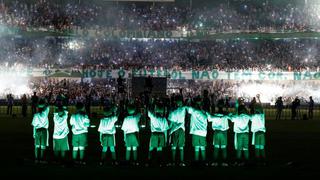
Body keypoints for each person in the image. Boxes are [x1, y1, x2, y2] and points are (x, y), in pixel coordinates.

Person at [147, 100, 169, 167]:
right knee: (159, 149)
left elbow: (148, 111)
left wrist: (152, 103)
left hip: (154, 134)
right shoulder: (164, 119)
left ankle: (149, 161)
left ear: (156, 110)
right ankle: (159, 162)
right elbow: (165, 130)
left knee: (151, 148)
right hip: (162, 134)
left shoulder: (153, 117)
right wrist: (166, 139)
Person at [187, 96, 208, 165]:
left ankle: (196, 162)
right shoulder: (204, 112)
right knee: (202, 148)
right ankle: (204, 162)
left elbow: (187, 107)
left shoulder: (193, 111)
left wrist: (190, 101)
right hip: (203, 132)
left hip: (195, 132)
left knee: (196, 148)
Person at [168, 95, 187, 166]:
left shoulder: (172, 111)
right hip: (181, 130)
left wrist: (169, 131)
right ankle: (181, 162)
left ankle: (173, 162)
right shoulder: (183, 109)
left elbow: (170, 123)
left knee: (173, 146)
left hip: (174, 130)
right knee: (181, 147)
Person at [121, 101, 141, 166]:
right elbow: (139, 114)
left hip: (128, 135)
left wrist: (124, 138)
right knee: (135, 148)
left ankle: (127, 161)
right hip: (135, 134)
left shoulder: (125, 119)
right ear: (134, 110)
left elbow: (124, 130)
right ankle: (135, 162)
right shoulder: (136, 117)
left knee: (128, 148)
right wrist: (137, 107)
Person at [31, 99, 50, 164]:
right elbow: (47, 106)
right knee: (43, 146)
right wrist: (46, 100)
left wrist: (33, 133)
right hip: (44, 130)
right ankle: (41, 159)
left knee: (36, 146)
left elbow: (34, 125)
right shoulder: (46, 113)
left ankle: (36, 159)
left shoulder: (36, 115)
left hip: (37, 131)